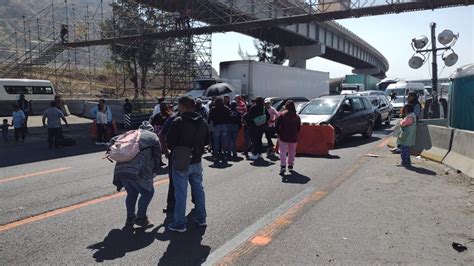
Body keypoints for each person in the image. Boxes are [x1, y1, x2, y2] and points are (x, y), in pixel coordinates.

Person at [166, 96, 209, 232]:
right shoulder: (202, 122)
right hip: (196, 159)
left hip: (181, 160)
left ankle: (179, 223)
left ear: (183, 106)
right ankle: (201, 218)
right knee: (198, 189)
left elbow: (170, 141)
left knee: (180, 192)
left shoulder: (178, 121)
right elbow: (207, 141)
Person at [113, 121, 162, 227]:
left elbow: (112, 141)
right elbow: (158, 156)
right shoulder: (153, 136)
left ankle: (130, 219)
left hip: (121, 168)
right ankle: (141, 218)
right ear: (151, 129)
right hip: (138, 170)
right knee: (148, 192)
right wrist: (155, 170)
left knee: (131, 193)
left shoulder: (130, 133)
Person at [276, 101, 301, 174]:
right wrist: (296, 133)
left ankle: (283, 166)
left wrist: (278, 133)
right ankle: (290, 165)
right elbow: (298, 127)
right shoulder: (297, 116)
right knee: (292, 152)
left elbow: (277, 125)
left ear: (286, 106)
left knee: (282, 151)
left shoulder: (282, 115)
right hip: (293, 136)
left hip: (283, 136)